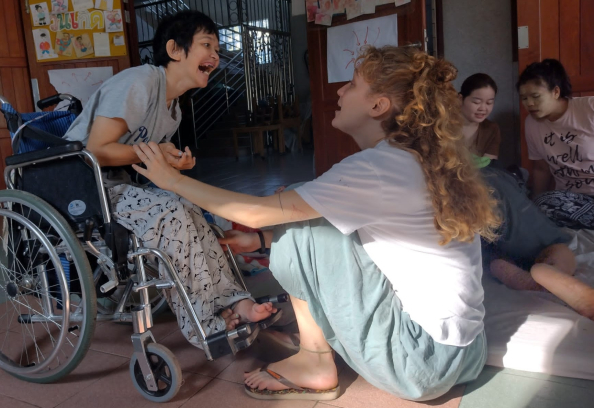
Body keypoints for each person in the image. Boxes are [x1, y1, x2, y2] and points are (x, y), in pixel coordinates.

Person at [130, 46, 500, 401]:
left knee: (297, 212)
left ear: (378, 105)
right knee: (307, 209)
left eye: (352, 84)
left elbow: (258, 212)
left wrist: (171, 180)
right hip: (466, 352)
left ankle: (314, 361)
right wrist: (263, 241)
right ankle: (313, 339)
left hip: (419, 360)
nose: (340, 91)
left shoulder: (378, 167)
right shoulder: (413, 159)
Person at [63, 10, 274, 348]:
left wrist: (173, 165)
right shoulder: (140, 82)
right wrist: (158, 154)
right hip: (83, 186)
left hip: (118, 186)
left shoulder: (173, 108)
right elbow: (96, 150)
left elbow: (143, 163)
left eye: (218, 50)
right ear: (175, 49)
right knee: (171, 214)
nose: (216, 56)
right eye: (207, 45)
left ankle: (234, 301)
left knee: (192, 205)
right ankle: (203, 322)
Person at [518, 59, 594, 229]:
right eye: (524, 98)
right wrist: (535, 205)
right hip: (569, 201)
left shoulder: (589, 108)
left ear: (556, 92)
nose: (529, 103)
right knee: (534, 207)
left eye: (536, 96)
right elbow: (541, 169)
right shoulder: (532, 123)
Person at [459, 73, 500, 168]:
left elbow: (489, 168)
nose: (483, 108)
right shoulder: (443, 125)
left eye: (489, 103)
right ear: (460, 99)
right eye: (476, 102)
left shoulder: (491, 129)